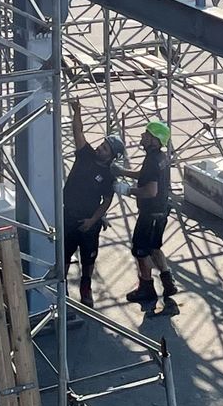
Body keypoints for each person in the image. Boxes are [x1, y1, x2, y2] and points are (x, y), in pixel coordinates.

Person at [62, 98, 124, 307]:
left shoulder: (108, 176)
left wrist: (93, 220)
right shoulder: (86, 155)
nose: (100, 148)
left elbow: (106, 201)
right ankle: (61, 287)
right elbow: (78, 132)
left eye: (105, 149)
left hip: (88, 220)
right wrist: (77, 110)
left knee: (88, 258)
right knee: (63, 254)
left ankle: (85, 287)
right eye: (101, 145)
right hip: (69, 215)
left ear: (111, 157)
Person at [118, 120, 177, 303]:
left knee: (140, 251)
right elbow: (145, 175)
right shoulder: (160, 158)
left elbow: (151, 191)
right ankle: (168, 282)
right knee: (154, 247)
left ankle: (146, 288)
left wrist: (127, 190)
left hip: (149, 214)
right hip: (161, 212)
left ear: (154, 140)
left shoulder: (152, 160)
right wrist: (122, 172)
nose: (143, 136)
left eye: (147, 134)